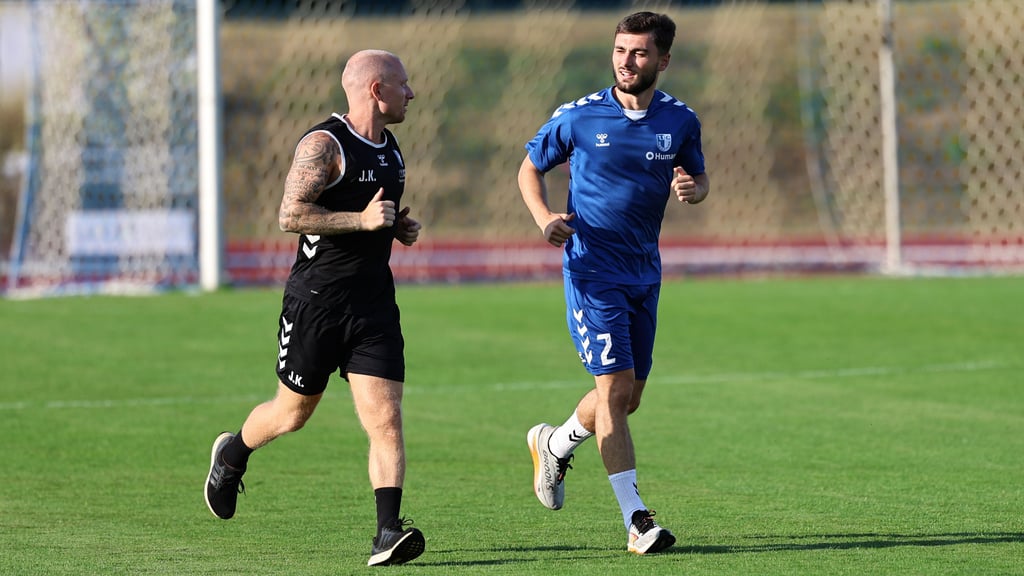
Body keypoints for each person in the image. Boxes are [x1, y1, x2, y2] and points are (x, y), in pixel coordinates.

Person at [204, 49, 426, 567]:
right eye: (403, 84)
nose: (411, 93)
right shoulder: (324, 144)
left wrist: (396, 227)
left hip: (373, 308)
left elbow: (376, 217)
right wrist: (363, 221)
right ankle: (232, 454)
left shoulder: (392, 150)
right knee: (291, 415)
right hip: (315, 306)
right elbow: (291, 214)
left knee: (386, 421)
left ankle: (387, 533)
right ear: (376, 90)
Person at [518, 12, 709, 555]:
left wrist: (695, 189)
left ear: (663, 60)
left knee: (628, 398)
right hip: (591, 271)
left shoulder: (680, 120)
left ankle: (554, 443)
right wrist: (543, 218)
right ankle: (637, 520)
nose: (627, 61)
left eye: (640, 53)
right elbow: (529, 168)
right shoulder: (578, 117)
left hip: (644, 273)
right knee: (614, 393)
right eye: (620, 50)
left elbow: (698, 175)